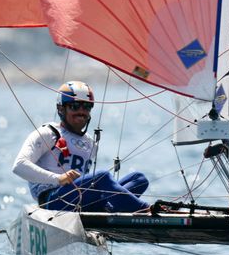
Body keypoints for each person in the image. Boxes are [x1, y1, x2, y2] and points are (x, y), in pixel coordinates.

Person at [12, 80, 150, 212]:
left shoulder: (90, 143)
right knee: (102, 176)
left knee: (139, 179)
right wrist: (59, 179)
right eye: (75, 106)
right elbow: (19, 166)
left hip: (80, 200)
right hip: (53, 200)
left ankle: (110, 209)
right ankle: (145, 210)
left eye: (87, 106)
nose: (82, 111)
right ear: (61, 109)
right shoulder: (47, 133)